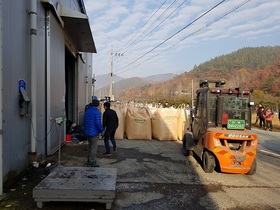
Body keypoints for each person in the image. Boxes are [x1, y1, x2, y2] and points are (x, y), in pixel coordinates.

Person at [83, 99, 104, 167]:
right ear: (98, 105)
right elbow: (98, 123)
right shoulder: (97, 112)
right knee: (94, 147)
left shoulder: (87, 111)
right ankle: (92, 161)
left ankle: (88, 160)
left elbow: (84, 122)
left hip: (88, 131)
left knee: (89, 146)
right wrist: (102, 130)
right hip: (94, 132)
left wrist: (86, 129)